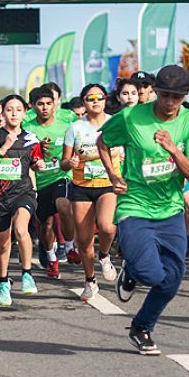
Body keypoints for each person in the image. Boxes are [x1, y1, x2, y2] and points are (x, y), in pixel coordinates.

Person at [97, 65, 189, 355]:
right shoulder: (132, 117)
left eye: (177, 96)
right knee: (150, 273)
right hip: (135, 203)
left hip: (170, 208)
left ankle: (142, 327)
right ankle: (133, 271)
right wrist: (113, 175)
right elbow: (103, 141)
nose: (170, 101)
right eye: (165, 94)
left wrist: (174, 149)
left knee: (172, 279)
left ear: (185, 96)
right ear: (155, 92)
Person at [61, 84, 122, 301]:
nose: (95, 101)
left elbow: (128, 146)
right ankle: (90, 280)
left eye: (99, 97)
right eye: (90, 98)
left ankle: (104, 255)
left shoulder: (115, 122)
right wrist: (70, 161)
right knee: (84, 240)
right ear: (84, 102)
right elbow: (63, 163)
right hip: (82, 187)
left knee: (107, 226)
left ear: (105, 100)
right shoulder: (75, 127)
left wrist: (122, 154)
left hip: (108, 183)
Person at [0, 94, 44, 306]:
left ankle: (27, 273)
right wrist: (5, 147)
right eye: (9, 109)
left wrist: (37, 165)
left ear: (24, 113)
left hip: (23, 191)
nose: (14, 113)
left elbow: (35, 161)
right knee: (3, 244)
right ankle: (3, 281)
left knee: (21, 229)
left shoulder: (32, 139)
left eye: (18, 109)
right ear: (2, 113)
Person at [24, 85, 76, 279]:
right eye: (40, 104)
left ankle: (69, 246)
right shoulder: (28, 127)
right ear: (33, 106)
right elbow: (22, 155)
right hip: (39, 181)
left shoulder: (67, 122)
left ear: (55, 105)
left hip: (61, 175)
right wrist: (36, 150)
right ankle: (51, 258)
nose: (45, 107)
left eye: (48, 103)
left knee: (64, 206)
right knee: (45, 225)